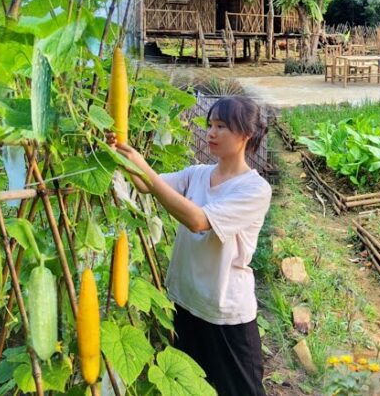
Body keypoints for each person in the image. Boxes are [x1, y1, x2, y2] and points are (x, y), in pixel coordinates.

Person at [109, 95, 272, 396]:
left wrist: (141, 165)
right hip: (186, 304)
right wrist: (120, 154)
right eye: (210, 125)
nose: (211, 133)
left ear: (246, 135)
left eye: (221, 126)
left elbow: (198, 221)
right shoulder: (197, 174)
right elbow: (147, 184)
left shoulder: (254, 189)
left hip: (225, 314)